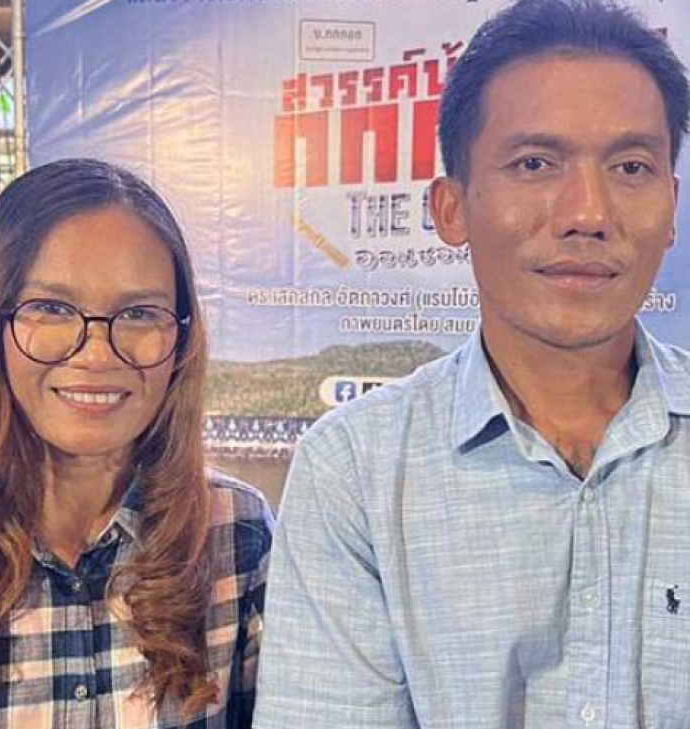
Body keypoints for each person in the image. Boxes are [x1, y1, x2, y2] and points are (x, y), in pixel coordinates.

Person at [254, 0, 690, 726]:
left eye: (631, 166)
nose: (588, 213)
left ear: (671, 207)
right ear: (451, 209)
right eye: (535, 163)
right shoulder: (357, 471)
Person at [0, 158, 274, 728]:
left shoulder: (237, 535)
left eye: (140, 313)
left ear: (182, 337)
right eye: (50, 308)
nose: (96, 354)